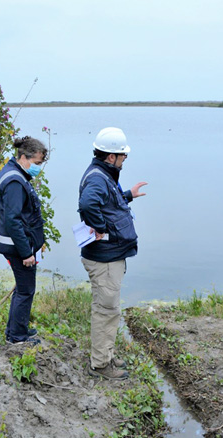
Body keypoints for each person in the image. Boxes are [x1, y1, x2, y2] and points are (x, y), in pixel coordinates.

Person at [78, 127, 147, 380]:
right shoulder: (98, 177)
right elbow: (88, 203)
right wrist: (101, 227)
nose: (124, 160)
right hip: (104, 257)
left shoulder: (103, 174)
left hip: (108, 256)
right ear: (111, 157)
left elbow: (108, 202)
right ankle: (100, 365)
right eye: (123, 156)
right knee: (107, 310)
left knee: (107, 308)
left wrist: (128, 195)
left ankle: (105, 354)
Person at [0, 136, 48, 345]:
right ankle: (17, 338)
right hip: (17, 245)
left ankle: (16, 329)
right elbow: (13, 220)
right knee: (26, 290)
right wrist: (26, 252)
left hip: (13, 243)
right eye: (36, 163)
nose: (38, 168)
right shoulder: (15, 181)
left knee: (21, 288)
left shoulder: (11, 172)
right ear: (23, 158)